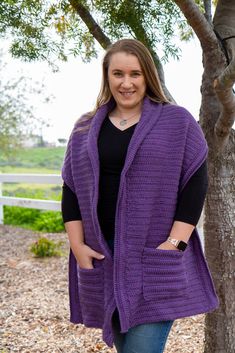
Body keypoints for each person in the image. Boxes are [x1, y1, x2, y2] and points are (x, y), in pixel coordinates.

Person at [61, 39, 219, 353]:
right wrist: (78, 246)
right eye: (118, 73)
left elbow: (195, 184)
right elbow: (71, 189)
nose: (127, 82)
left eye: (135, 73)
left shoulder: (177, 122)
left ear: (148, 75)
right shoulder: (85, 127)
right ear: (107, 77)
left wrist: (174, 244)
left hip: (154, 256)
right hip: (105, 257)